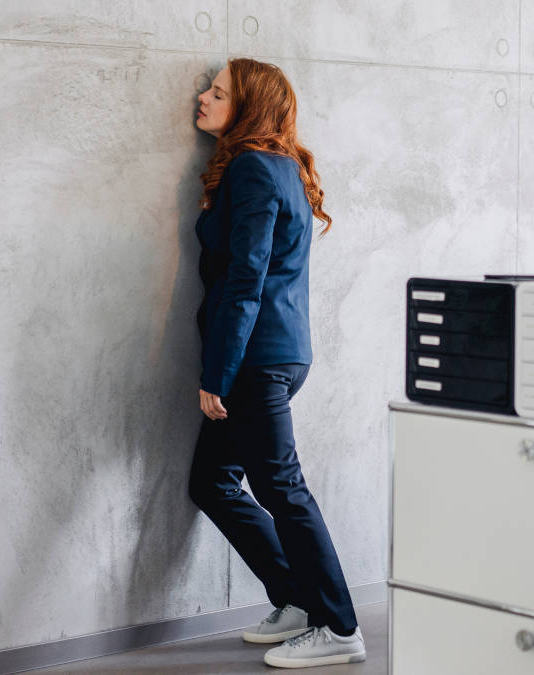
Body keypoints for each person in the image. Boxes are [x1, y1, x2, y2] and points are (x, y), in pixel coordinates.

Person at [187, 58, 365, 669]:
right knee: (212, 482)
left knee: (283, 489)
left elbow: (248, 277)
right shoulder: (277, 165)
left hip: (256, 358)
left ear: (248, 108)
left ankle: (339, 626)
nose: (203, 97)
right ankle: (295, 597)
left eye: (218, 93)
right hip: (274, 352)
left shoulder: (255, 168)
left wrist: (218, 373)